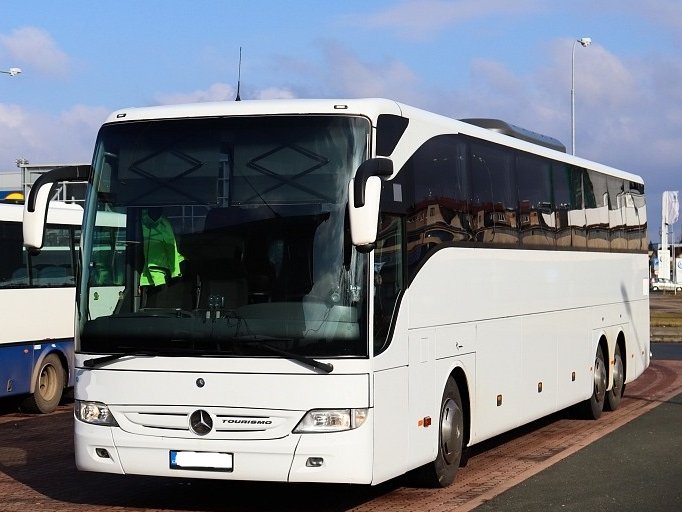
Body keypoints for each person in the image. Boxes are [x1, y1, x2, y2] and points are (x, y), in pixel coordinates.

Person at [140, 208, 184, 287]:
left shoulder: (138, 220)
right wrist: (175, 272)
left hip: (153, 271)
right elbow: (171, 247)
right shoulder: (164, 224)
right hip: (157, 269)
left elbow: (171, 247)